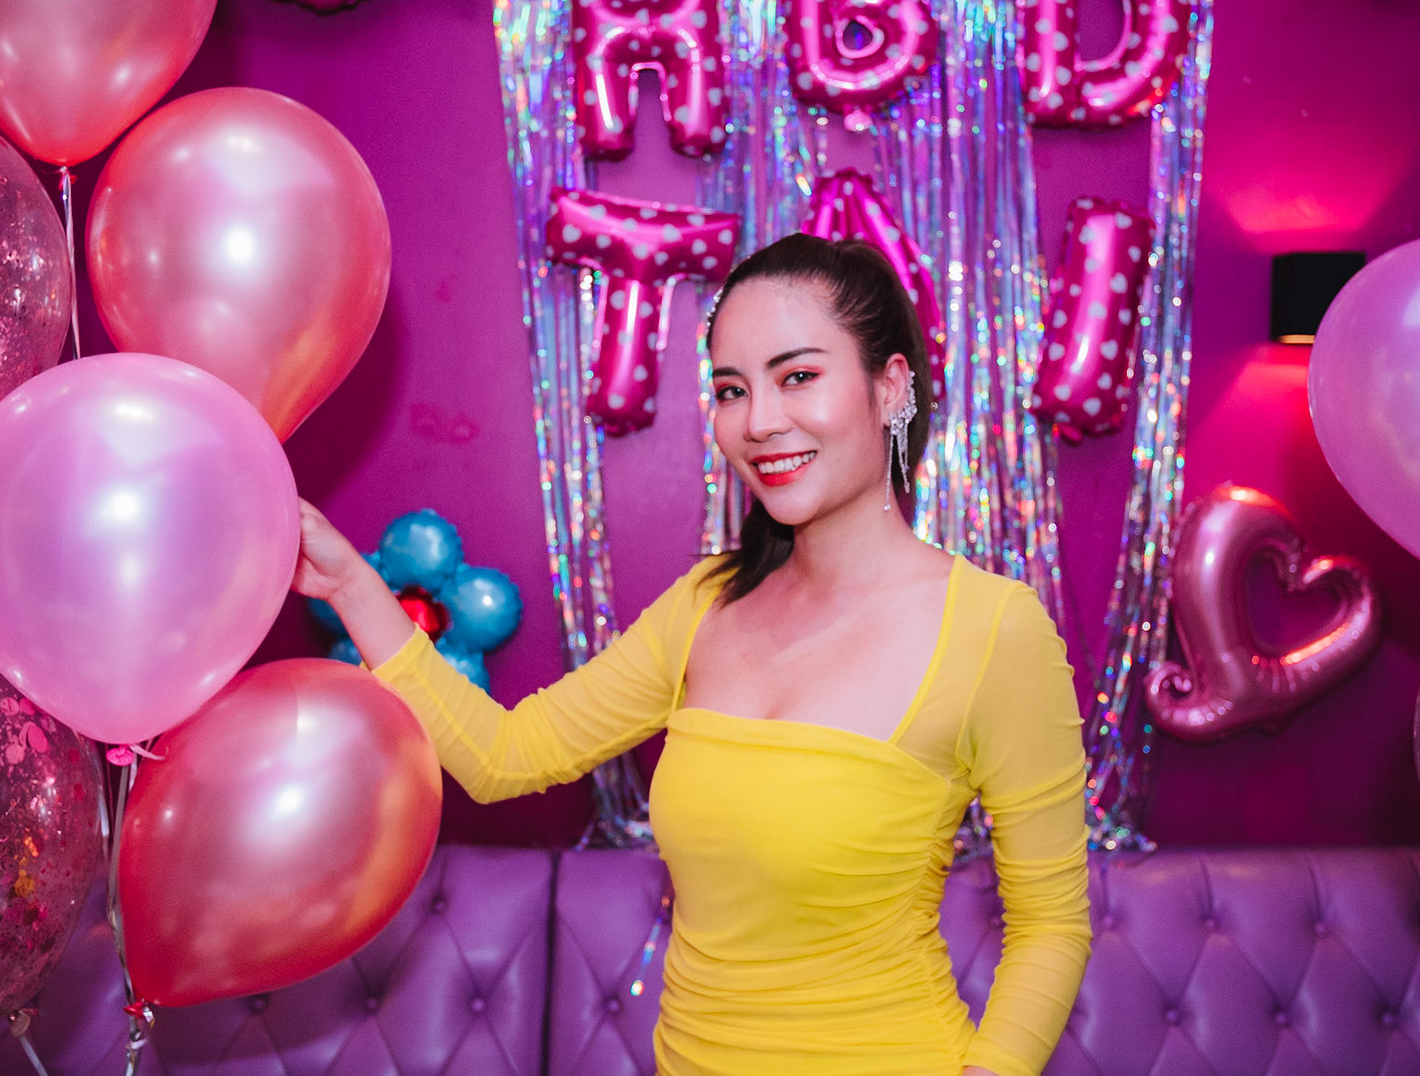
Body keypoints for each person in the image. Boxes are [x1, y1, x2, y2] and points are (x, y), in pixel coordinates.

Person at [295, 233, 1091, 1076]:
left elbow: (1051, 925)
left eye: (797, 377)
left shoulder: (994, 629)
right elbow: (505, 756)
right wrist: (351, 584)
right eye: (731, 389)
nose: (759, 422)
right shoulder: (707, 604)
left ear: (890, 386)